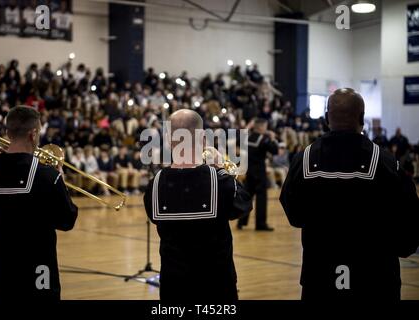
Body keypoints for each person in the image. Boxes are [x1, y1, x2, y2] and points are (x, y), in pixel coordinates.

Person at [280, 88, 419, 300]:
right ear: (362, 118)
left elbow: (295, 216)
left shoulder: (304, 160)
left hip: (319, 276)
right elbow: (409, 218)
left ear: (327, 118)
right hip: (375, 277)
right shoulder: (386, 162)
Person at [143, 109, 252, 301]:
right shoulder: (220, 181)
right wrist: (221, 168)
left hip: (173, 286)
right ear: (203, 137)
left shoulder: (156, 183)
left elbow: (153, 217)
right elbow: (243, 205)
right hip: (216, 285)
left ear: (169, 139)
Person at [0, 106, 78, 301]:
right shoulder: (48, 176)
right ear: (33, 135)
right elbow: (67, 221)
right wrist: (61, 183)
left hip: (1, 273)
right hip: (39, 273)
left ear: (7, 132)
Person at [238, 118, 278, 231]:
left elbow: (237, 141)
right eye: (265, 126)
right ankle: (260, 224)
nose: (266, 129)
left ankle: (241, 222)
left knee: (247, 198)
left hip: (248, 172)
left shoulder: (247, 137)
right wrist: (273, 138)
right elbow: (274, 150)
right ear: (260, 127)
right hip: (259, 172)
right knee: (261, 199)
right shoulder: (263, 139)